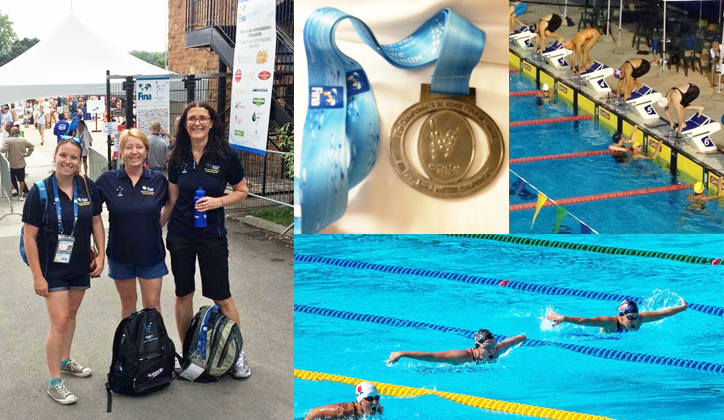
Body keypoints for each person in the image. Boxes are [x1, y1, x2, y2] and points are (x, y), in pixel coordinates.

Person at [165, 102, 250, 378]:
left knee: (222, 296)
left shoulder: (225, 156)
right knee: (183, 294)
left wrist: (218, 202)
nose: (197, 123)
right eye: (192, 119)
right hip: (181, 234)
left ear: (212, 123)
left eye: (203, 118)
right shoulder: (177, 156)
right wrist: (156, 228)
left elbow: (242, 191)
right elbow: (173, 199)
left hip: (212, 234)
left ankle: (237, 355)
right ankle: (187, 351)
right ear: (185, 124)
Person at [22, 137, 105, 404]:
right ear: (55, 157)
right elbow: (29, 237)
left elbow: (96, 221)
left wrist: (101, 254)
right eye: (63, 156)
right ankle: (54, 380)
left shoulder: (87, 187)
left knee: (70, 315)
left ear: (79, 161)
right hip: (52, 268)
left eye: (73, 157)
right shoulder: (40, 191)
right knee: (58, 321)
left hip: (80, 263)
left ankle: (66, 360)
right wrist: (37, 275)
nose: (68, 161)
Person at [96, 129, 172, 319]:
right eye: (128, 147)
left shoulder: (158, 180)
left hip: (151, 254)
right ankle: (129, 347)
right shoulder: (107, 180)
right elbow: (92, 214)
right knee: (128, 305)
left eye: (139, 147)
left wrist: (156, 226)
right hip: (120, 255)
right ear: (121, 152)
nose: (134, 152)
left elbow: (171, 204)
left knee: (152, 305)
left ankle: (154, 348)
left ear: (146, 151)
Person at [387, 329, 527, 365]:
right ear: (477, 347)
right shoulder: (461, 357)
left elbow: (520, 337)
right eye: (487, 347)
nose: (492, 350)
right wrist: (402, 354)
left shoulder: (497, 350)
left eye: (494, 345)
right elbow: (431, 357)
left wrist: (522, 341)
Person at [547, 298, 688, 333]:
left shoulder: (640, 319)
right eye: (631, 317)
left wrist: (682, 307)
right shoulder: (610, 322)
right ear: (622, 316)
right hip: (600, 340)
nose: (635, 320)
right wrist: (565, 318)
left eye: (636, 316)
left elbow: (664, 314)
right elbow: (587, 321)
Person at [304, 382, 384, 420]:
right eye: (369, 398)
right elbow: (313, 412)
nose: (375, 402)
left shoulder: (379, 410)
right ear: (360, 401)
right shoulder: (342, 410)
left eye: (376, 397)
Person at [1, 126, 34, 201]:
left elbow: (3, 150)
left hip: (12, 164)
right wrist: (27, 154)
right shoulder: (23, 140)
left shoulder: (9, 141)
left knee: (12, 179)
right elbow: (32, 147)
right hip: (21, 163)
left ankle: (16, 191)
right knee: (21, 180)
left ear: (11, 133)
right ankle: (21, 194)